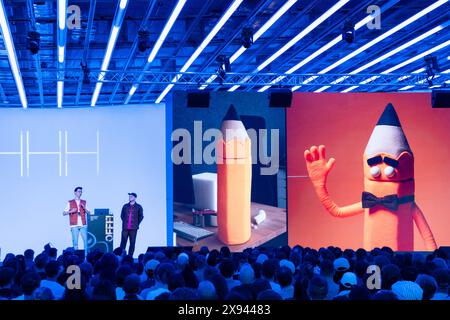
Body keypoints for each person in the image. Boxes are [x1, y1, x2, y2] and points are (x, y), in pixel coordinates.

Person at [120, 193, 143, 257]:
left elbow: (141, 216)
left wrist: (136, 223)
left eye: (131, 196)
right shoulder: (125, 206)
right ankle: (121, 256)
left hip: (134, 228)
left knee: (132, 243)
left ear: (135, 198)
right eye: (129, 196)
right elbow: (122, 215)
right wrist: (125, 222)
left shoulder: (138, 206)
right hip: (125, 227)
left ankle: (130, 256)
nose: (130, 197)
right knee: (123, 242)